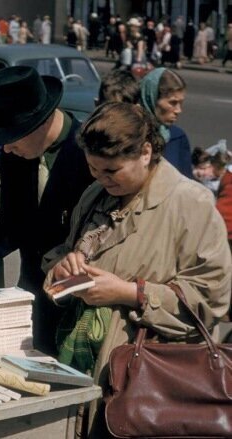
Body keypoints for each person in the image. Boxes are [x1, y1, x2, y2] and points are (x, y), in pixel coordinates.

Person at [42, 102, 231, 437]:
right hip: (84, 369)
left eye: (111, 171)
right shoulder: (94, 195)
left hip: (146, 384)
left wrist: (130, 293)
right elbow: (64, 251)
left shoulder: (191, 204)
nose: (100, 178)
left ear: (145, 152)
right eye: (93, 169)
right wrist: (63, 268)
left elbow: (211, 296)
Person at [0, 66, 94, 355]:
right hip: (34, 300)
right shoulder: (16, 154)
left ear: (40, 122)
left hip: (81, 308)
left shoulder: (87, 152)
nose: (7, 149)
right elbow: (11, 222)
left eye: (12, 139)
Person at [140, 68, 193, 178]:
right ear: (152, 98)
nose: (178, 110)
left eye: (180, 103)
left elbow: (186, 183)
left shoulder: (177, 137)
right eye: (173, 103)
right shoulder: (129, 136)